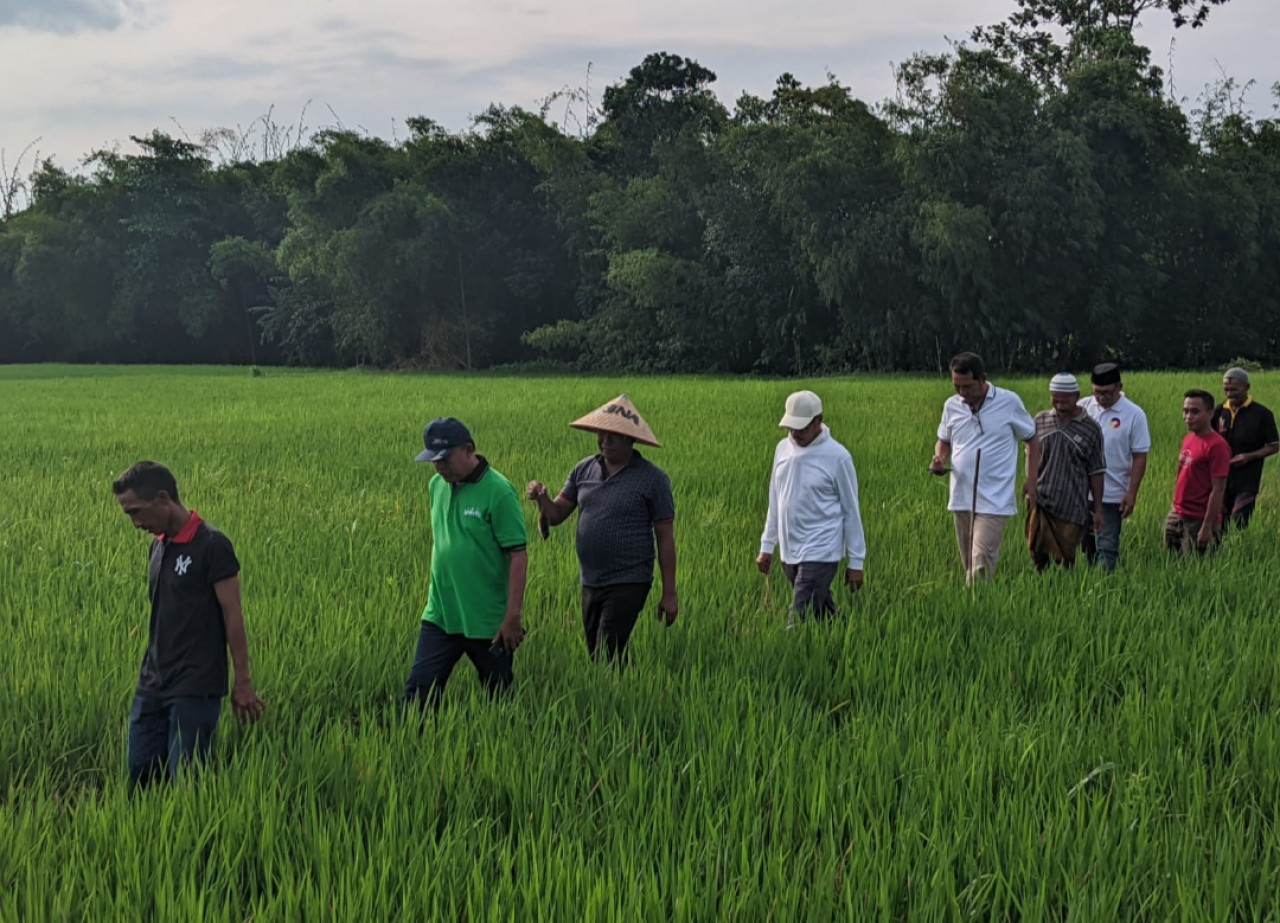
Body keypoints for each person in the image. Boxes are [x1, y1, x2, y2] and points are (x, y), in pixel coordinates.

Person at [112, 461, 264, 786]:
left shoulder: (212, 545)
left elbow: (233, 615)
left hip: (196, 684)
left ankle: (195, 835)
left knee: (188, 780)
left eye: (137, 512)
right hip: (152, 681)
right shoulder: (158, 545)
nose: (136, 523)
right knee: (141, 775)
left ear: (163, 498)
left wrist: (243, 681)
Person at [526, 395, 677, 663]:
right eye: (601, 433)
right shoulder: (583, 470)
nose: (604, 441)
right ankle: (624, 692)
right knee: (598, 650)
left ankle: (616, 694)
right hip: (591, 579)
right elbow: (557, 514)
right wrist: (542, 499)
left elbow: (665, 538)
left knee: (607, 650)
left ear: (630, 439)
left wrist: (669, 593)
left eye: (613, 436)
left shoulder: (653, 479)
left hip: (630, 578)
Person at [404, 418, 527, 707]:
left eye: (445, 459)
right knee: (418, 693)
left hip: (487, 620)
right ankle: (414, 744)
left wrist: (512, 616)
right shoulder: (437, 485)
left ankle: (507, 746)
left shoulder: (499, 491)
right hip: (441, 613)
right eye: (433, 460)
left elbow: (518, 555)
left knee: (499, 697)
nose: (439, 467)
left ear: (469, 449)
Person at [756, 390, 866, 627]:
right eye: (791, 427)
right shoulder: (782, 450)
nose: (794, 433)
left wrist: (856, 562)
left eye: (801, 427)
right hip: (790, 548)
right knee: (821, 609)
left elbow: (851, 511)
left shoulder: (838, 457)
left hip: (821, 548)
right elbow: (776, 499)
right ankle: (849, 636)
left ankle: (788, 654)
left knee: (799, 613)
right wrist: (767, 545)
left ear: (818, 421)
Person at [929, 352, 1036, 583]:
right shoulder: (952, 406)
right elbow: (944, 440)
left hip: (995, 498)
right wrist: (940, 459)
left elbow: (1032, 439)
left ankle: (977, 608)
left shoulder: (1009, 402)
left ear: (982, 379)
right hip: (961, 495)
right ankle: (972, 610)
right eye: (956, 386)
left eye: (967, 387)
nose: (962, 393)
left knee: (980, 566)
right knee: (968, 563)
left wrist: (1031, 479)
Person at [1024, 373, 1106, 570]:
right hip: (1041, 500)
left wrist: (1098, 508)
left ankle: (1064, 594)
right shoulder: (1040, 421)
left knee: (1065, 559)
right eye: (1055, 399)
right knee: (1037, 552)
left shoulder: (1091, 429)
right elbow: (1031, 456)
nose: (1059, 405)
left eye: (1065, 400)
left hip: (1072, 505)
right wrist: (1030, 484)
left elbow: (1096, 471)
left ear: (1077, 396)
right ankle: (1041, 590)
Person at [1078, 362, 1151, 571]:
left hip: (1112, 494)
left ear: (1119, 387)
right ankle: (1086, 587)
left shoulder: (1134, 414)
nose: (1101, 398)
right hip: (1082, 492)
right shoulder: (1083, 408)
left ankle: (1104, 589)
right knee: (1086, 545)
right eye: (1096, 392)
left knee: (1107, 545)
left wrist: (1132, 493)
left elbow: (1139, 456)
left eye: (1106, 393)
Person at [1211, 367, 1279, 530]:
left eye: (1234, 389)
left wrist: (1248, 456)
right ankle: (1219, 553)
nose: (1229, 393)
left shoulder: (1262, 414)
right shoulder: (1219, 412)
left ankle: (1239, 551)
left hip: (1248, 479)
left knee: (1240, 520)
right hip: (1221, 478)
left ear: (1246, 387)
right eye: (1226, 389)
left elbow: (1274, 445)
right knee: (1220, 522)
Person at [1165, 390, 1231, 555]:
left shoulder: (1218, 446)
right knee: (1171, 565)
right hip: (1177, 513)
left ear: (1210, 413)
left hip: (1199, 519)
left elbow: (1218, 489)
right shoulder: (1189, 438)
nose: (1188, 416)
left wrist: (1207, 526)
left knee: (1198, 571)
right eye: (1185, 411)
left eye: (1195, 411)